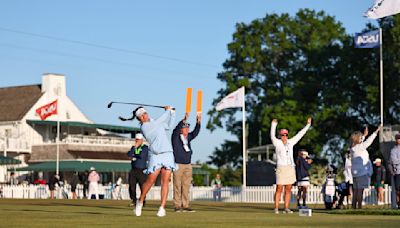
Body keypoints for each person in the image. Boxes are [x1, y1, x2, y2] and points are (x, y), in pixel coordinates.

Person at [134, 106, 177, 217]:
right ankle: (140, 201)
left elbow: (169, 126)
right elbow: (161, 120)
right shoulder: (145, 127)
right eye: (142, 115)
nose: (145, 116)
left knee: (165, 181)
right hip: (155, 155)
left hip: (167, 153)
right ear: (140, 118)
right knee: (150, 181)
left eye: (145, 113)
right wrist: (167, 111)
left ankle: (162, 208)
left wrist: (172, 113)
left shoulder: (154, 122)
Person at [270, 117, 312, 214]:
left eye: (286, 134)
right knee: (279, 188)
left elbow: (300, 135)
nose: (284, 136)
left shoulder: (291, 142)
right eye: (282, 134)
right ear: (280, 135)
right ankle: (276, 208)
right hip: (281, 167)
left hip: (290, 167)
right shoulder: (277, 143)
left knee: (288, 188)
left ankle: (286, 208)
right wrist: (273, 125)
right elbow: (272, 136)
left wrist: (308, 125)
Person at [172, 112, 201, 212]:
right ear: (181, 129)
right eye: (185, 128)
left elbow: (195, 133)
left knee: (186, 186)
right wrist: (183, 120)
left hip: (188, 164)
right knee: (177, 186)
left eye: (188, 128)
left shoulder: (188, 138)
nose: (187, 130)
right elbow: (175, 130)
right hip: (178, 164)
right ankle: (177, 205)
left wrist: (198, 123)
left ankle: (185, 205)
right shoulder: (175, 138)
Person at [350, 124, 382, 209]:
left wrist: (364, 135)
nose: (361, 138)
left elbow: (362, 141)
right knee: (360, 190)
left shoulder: (353, 148)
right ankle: (359, 207)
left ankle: (354, 207)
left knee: (356, 190)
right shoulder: (360, 147)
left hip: (355, 173)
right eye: (360, 137)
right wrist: (376, 131)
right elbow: (369, 141)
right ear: (358, 139)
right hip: (361, 172)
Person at [127, 133, 149, 206]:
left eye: (138, 140)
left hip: (142, 170)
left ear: (142, 140)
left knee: (142, 186)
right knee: (131, 186)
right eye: (136, 140)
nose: (137, 141)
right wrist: (134, 149)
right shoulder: (133, 147)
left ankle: (143, 200)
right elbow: (129, 154)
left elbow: (141, 156)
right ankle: (134, 200)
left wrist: (134, 154)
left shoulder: (145, 147)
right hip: (133, 169)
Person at [389, 133, 400, 209]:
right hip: (398, 172)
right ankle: (399, 204)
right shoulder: (393, 150)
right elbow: (394, 161)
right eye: (398, 138)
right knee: (398, 190)